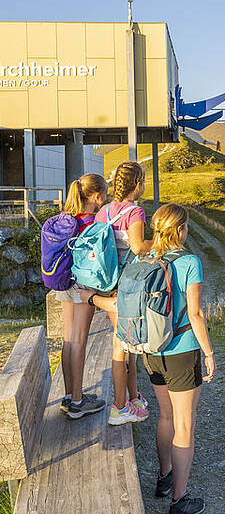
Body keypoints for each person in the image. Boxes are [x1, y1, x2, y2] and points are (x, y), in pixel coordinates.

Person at [143, 203, 215, 514]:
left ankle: (164, 478)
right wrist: (209, 353)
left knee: (166, 416)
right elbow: (196, 314)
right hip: (182, 352)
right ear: (180, 230)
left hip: (151, 351)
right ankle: (179, 500)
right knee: (184, 425)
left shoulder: (144, 258)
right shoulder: (189, 261)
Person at [81, 161, 154, 425]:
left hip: (107, 281)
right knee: (121, 347)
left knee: (129, 345)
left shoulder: (104, 211)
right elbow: (136, 245)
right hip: (125, 287)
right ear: (138, 184)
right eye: (143, 181)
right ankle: (119, 407)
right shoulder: (135, 212)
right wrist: (159, 242)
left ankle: (133, 398)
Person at [54, 173, 108, 419]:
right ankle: (77, 402)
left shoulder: (68, 219)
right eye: (104, 195)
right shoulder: (90, 223)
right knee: (79, 341)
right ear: (97, 196)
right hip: (83, 286)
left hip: (64, 282)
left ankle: (69, 395)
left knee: (68, 340)